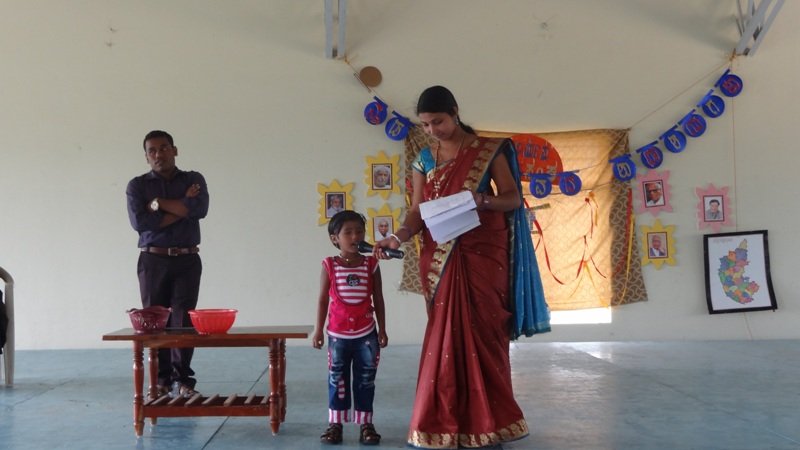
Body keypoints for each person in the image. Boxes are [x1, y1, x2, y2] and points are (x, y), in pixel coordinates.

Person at [374, 85, 550, 449]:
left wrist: (481, 199)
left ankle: (492, 424)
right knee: (445, 338)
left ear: (455, 112)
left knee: (486, 334)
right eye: (426, 124)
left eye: (438, 121)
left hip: (484, 254)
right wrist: (398, 236)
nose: (433, 130)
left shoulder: (488, 151)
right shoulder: (425, 158)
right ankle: (441, 423)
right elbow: (417, 210)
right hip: (441, 257)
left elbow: (512, 198)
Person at [126, 130, 209, 399]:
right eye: (152, 150)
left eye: (163, 148)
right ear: (146, 157)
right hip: (153, 259)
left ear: (175, 150)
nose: (158, 154)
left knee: (183, 320)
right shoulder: (137, 186)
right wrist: (183, 206)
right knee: (155, 320)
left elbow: (199, 210)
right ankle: (160, 381)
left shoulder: (193, 179)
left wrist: (159, 204)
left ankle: (183, 380)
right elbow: (141, 224)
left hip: (187, 258)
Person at [313, 210, 389, 446]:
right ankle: (335, 423)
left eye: (359, 231)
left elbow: (379, 298)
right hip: (338, 336)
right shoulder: (329, 265)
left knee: (366, 379)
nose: (355, 236)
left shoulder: (371, 264)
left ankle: (366, 424)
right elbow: (322, 300)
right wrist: (318, 330)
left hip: (366, 335)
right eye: (348, 232)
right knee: (337, 378)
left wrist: (382, 329)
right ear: (335, 238)